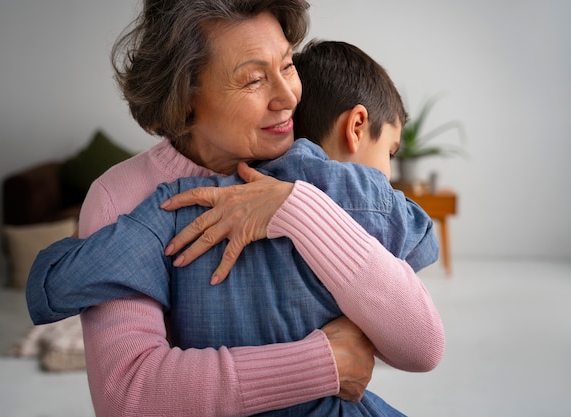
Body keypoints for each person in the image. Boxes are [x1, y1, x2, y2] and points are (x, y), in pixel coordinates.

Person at [27, 3, 443, 416]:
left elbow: (421, 346)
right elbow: (130, 397)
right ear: (186, 95)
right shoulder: (123, 197)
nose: (286, 98)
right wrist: (323, 363)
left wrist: (296, 206)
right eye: (254, 79)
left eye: (287, 66)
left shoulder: (319, 173)